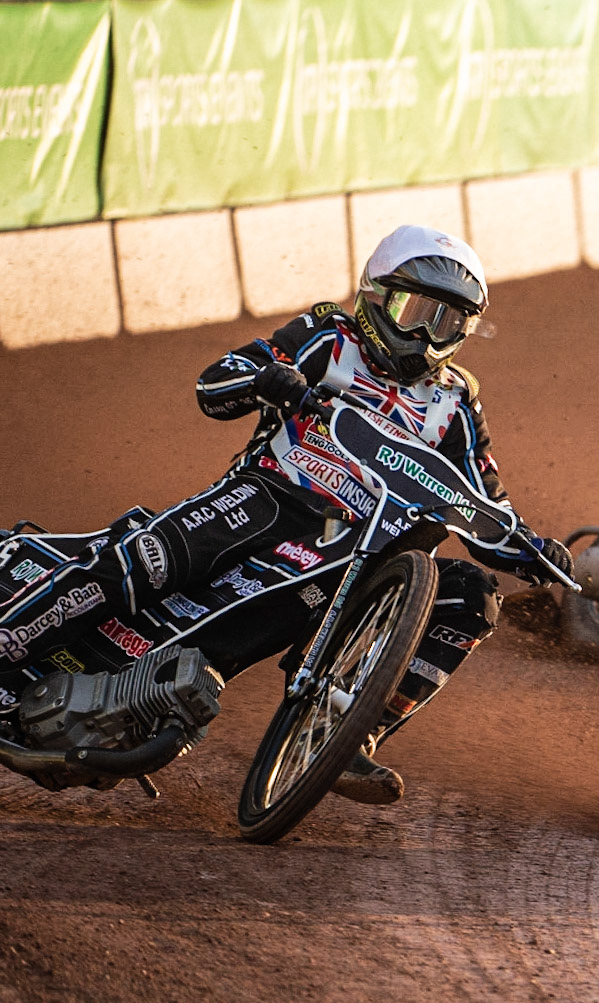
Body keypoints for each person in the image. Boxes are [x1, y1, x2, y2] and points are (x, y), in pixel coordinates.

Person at [0, 225, 569, 804]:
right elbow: (214, 383)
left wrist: (533, 547)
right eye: (416, 310)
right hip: (268, 498)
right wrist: (271, 380)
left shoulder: (457, 400)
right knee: (144, 560)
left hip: (357, 551)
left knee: (472, 592)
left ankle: (347, 734)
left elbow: (481, 500)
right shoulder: (327, 335)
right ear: (375, 296)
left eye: (447, 322)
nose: (426, 333)